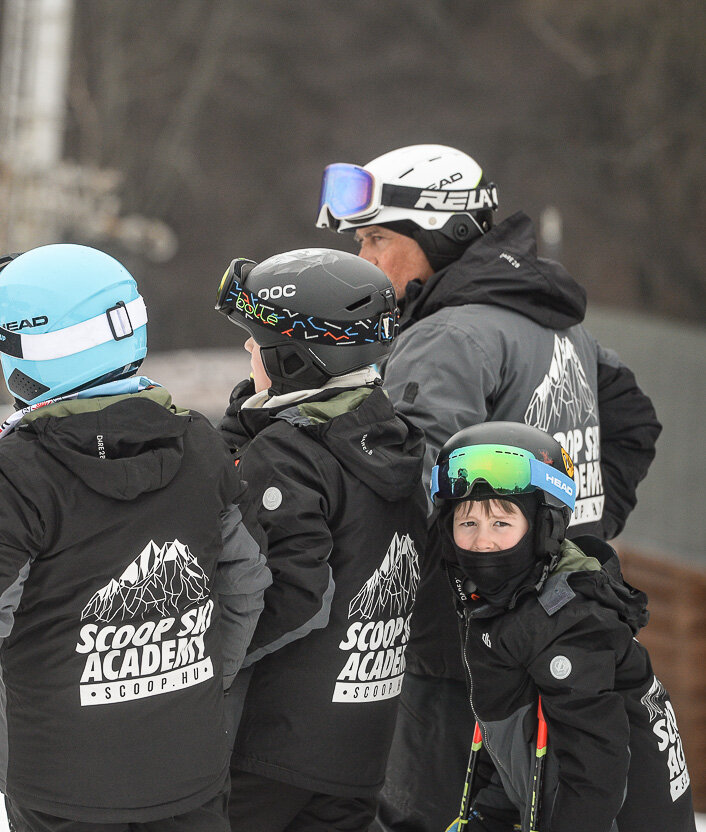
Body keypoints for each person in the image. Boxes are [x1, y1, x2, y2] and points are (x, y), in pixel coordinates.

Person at [0, 243, 271, 831]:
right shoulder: (198, 443)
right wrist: (196, 682)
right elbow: (247, 583)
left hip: (63, 785)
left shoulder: (21, 468)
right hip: (187, 771)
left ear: (31, 354)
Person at [315, 143, 662, 831]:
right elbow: (635, 422)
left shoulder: (446, 336)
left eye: (379, 238)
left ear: (441, 238)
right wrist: (580, 524)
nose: (365, 260)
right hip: (572, 617)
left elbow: (412, 489)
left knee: (432, 813)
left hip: (462, 647)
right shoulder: (554, 326)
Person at [212, 250, 427, 832]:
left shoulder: (287, 456)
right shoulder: (392, 438)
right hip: (357, 743)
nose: (248, 352)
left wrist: (202, 667)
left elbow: (292, 591)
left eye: (257, 342)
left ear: (295, 360)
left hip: (268, 744)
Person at [430, 421, 693, 831]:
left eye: (501, 524)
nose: (482, 542)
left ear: (544, 528)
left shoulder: (570, 622)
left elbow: (595, 770)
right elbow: (521, 738)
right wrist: (489, 817)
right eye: (468, 524)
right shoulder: (510, 604)